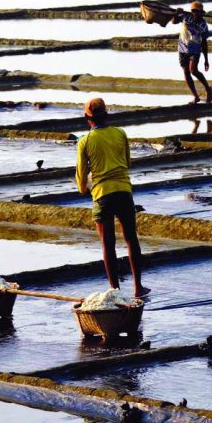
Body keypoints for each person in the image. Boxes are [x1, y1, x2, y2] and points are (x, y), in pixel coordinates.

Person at [75, 98, 150, 298]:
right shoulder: (120, 133)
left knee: (107, 244)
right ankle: (138, 287)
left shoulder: (85, 141)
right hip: (123, 190)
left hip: (102, 195)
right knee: (131, 239)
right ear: (107, 115)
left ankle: (115, 291)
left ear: (86, 118)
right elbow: (127, 162)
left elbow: (82, 178)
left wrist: (84, 188)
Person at [172, 1, 212, 104]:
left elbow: (204, 43)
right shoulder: (186, 17)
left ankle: (208, 88)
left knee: (193, 70)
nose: (195, 13)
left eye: (197, 11)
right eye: (193, 11)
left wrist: (206, 60)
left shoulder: (203, 25)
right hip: (182, 48)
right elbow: (174, 21)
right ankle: (196, 97)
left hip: (195, 49)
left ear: (201, 13)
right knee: (186, 73)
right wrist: (177, 13)